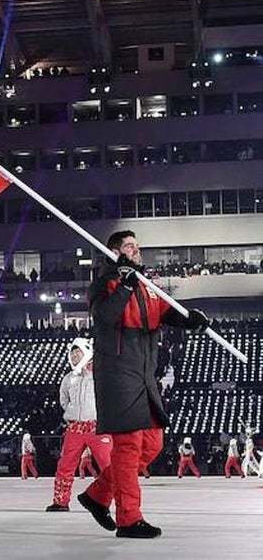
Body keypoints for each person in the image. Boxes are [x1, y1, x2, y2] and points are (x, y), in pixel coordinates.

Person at [77, 230, 210, 539]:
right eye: (128, 247)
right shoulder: (104, 284)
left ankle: (97, 495)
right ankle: (129, 519)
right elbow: (106, 316)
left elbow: (165, 312)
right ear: (114, 253)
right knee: (128, 448)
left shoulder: (147, 285)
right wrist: (124, 283)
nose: (136, 251)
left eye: (137, 246)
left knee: (152, 444)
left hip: (144, 375)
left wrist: (189, 319)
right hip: (118, 374)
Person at [48, 338, 111, 511]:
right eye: (72, 352)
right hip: (75, 428)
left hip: (98, 427)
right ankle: (60, 502)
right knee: (65, 466)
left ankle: (109, 501)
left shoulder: (101, 373)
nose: (74, 355)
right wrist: (72, 411)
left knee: (108, 466)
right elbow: (63, 400)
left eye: (78, 351)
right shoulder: (68, 378)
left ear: (87, 352)